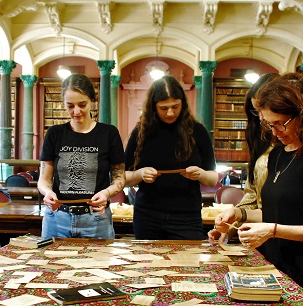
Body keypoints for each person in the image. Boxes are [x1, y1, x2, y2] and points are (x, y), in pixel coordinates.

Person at [222, 73, 303, 303]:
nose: (275, 133)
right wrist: (238, 214)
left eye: (280, 124)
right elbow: (276, 211)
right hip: (276, 268)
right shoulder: (277, 154)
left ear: (302, 115)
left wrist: (273, 230)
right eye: (269, 125)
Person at [124, 75, 220, 239]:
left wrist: (201, 174)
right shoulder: (141, 132)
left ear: (183, 103)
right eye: (163, 108)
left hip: (187, 216)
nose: (170, 112)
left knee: (188, 263)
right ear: (153, 107)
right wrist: (140, 174)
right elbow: (123, 177)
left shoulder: (197, 131)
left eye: (175, 106)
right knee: (148, 263)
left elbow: (212, 179)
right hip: (148, 215)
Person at [37, 73, 125, 238]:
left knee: (97, 264)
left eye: (82, 104)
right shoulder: (54, 133)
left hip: (96, 219)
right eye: (70, 106)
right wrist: (46, 192)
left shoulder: (109, 133)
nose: (76, 111)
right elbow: (44, 178)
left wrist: (106, 193)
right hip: (57, 218)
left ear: (92, 100)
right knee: (51, 263)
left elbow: (119, 178)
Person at [208, 72, 278, 241]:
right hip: (260, 236)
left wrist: (239, 215)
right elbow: (251, 195)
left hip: (287, 240)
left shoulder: (302, 150)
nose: (262, 119)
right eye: (256, 112)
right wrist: (230, 226)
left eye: (264, 110)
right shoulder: (261, 144)